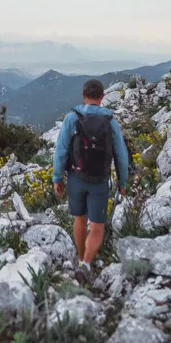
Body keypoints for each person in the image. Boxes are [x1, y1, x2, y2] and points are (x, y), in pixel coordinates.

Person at [52, 79, 128, 285]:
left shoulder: (71, 119)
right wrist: (122, 181)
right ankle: (86, 264)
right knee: (97, 226)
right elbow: (121, 154)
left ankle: (81, 260)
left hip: (76, 178)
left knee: (79, 219)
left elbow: (61, 152)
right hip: (99, 181)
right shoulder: (111, 121)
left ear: (84, 95)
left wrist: (57, 178)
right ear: (102, 97)